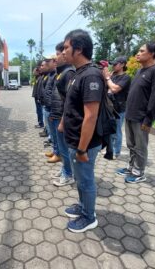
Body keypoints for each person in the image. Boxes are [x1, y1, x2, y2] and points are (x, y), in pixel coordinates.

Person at [62, 29, 104, 232]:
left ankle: (89, 216)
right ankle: (83, 206)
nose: (63, 51)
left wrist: (81, 149)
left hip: (83, 144)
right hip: (74, 140)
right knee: (79, 178)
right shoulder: (77, 73)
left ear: (78, 50)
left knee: (86, 180)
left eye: (66, 47)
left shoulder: (91, 75)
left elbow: (91, 116)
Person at [116, 42, 155, 183]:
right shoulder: (140, 71)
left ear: (151, 54)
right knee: (131, 144)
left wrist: (148, 120)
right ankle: (131, 167)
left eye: (141, 51)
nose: (138, 53)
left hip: (141, 117)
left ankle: (139, 172)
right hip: (130, 114)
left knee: (140, 145)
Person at [50, 42, 75, 186]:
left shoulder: (69, 73)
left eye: (58, 54)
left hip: (62, 117)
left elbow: (68, 101)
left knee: (64, 149)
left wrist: (62, 120)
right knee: (61, 147)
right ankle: (65, 169)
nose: (56, 58)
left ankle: (68, 174)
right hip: (57, 114)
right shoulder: (62, 73)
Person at [102, 56, 131, 160]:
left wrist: (108, 78)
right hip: (109, 106)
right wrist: (105, 77)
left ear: (122, 64)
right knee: (109, 129)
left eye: (115, 64)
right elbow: (106, 87)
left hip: (119, 108)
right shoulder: (112, 75)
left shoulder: (126, 77)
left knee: (116, 131)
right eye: (112, 64)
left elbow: (114, 89)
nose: (113, 66)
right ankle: (109, 149)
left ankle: (116, 151)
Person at [31, 62, 44, 128]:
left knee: (40, 111)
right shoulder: (37, 78)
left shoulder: (40, 78)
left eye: (34, 70)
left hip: (38, 98)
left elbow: (40, 89)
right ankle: (40, 122)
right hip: (36, 97)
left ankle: (41, 123)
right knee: (38, 111)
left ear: (37, 72)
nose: (33, 72)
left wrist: (39, 98)